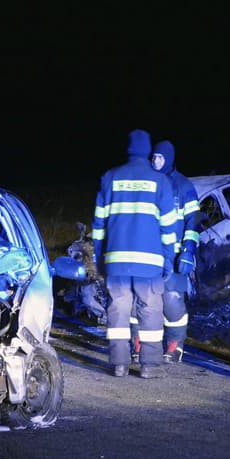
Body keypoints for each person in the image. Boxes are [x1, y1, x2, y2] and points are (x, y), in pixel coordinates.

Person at [92, 129, 177, 379]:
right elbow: (168, 228)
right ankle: (148, 365)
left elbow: (98, 226)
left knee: (118, 311)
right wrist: (168, 259)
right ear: (148, 151)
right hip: (149, 264)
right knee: (149, 311)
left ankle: (119, 364)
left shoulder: (110, 178)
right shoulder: (160, 181)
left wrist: (100, 260)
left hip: (116, 262)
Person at [149, 140, 200, 363]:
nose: (155, 161)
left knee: (172, 301)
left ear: (168, 159)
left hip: (176, 255)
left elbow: (193, 221)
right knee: (145, 302)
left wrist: (188, 250)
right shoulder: (148, 183)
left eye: (159, 158)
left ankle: (174, 345)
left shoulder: (184, 186)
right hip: (149, 255)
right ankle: (143, 345)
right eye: (153, 157)